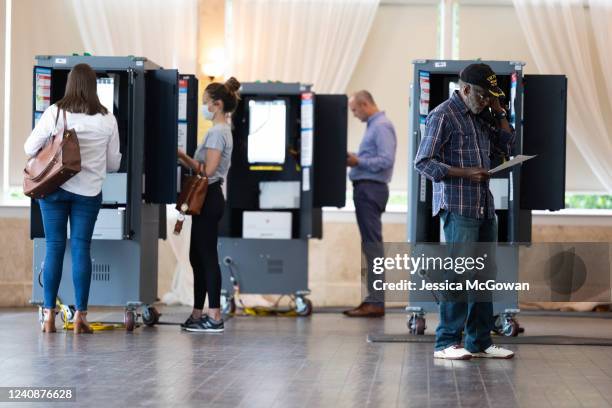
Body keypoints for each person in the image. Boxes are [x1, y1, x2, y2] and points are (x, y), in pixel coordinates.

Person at [414, 63, 515, 360]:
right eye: (483, 95)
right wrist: (465, 173)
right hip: (459, 207)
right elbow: (423, 162)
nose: (486, 101)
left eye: (491, 97)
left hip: (483, 206)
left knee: (485, 274)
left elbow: (507, 144)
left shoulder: (482, 116)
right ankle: (446, 342)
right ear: (466, 89)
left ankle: (479, 341)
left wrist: (498, 110)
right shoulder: (443, 115)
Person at [24, 63, 121, 334]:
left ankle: (48, 316)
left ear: (70, 84)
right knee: (81, 249)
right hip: (88, 193)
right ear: (92, 87)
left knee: (54, 246)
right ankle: (80, 316)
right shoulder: (107, 119)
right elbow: (113, 164)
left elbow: (29, 148)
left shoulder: (55, 113)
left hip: (53, 190)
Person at [177, 77, 240, 333]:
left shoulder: (217, 132)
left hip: (209, 195)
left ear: (217, 104)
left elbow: (208, 170)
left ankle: (214, 315)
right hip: (209, 198)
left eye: (205, 103)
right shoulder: (223, 130)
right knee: (197, 256)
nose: (203, 108)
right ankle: (197, 312)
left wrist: (183, 157)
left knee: (206, 257)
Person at [343, 90, 397, 318]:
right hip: (367, 189)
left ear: (365, 104)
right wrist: (356, 157)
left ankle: (375, 302)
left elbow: (386, 160)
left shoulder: (381, 126)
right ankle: (371, 300)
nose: (354, 115)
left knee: (373, 246)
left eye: (354, 110)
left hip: (371, 190)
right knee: (370, 246)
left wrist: (358, 161)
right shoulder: (374, 126)